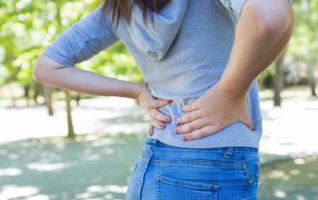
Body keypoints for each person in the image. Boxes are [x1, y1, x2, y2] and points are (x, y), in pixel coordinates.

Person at [33, 0, 294, 199]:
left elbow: (46, 67)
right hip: (216, 159)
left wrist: (136, 91)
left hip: (152, 163)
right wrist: (231, 90)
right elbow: (270, 16)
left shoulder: (117, 9)